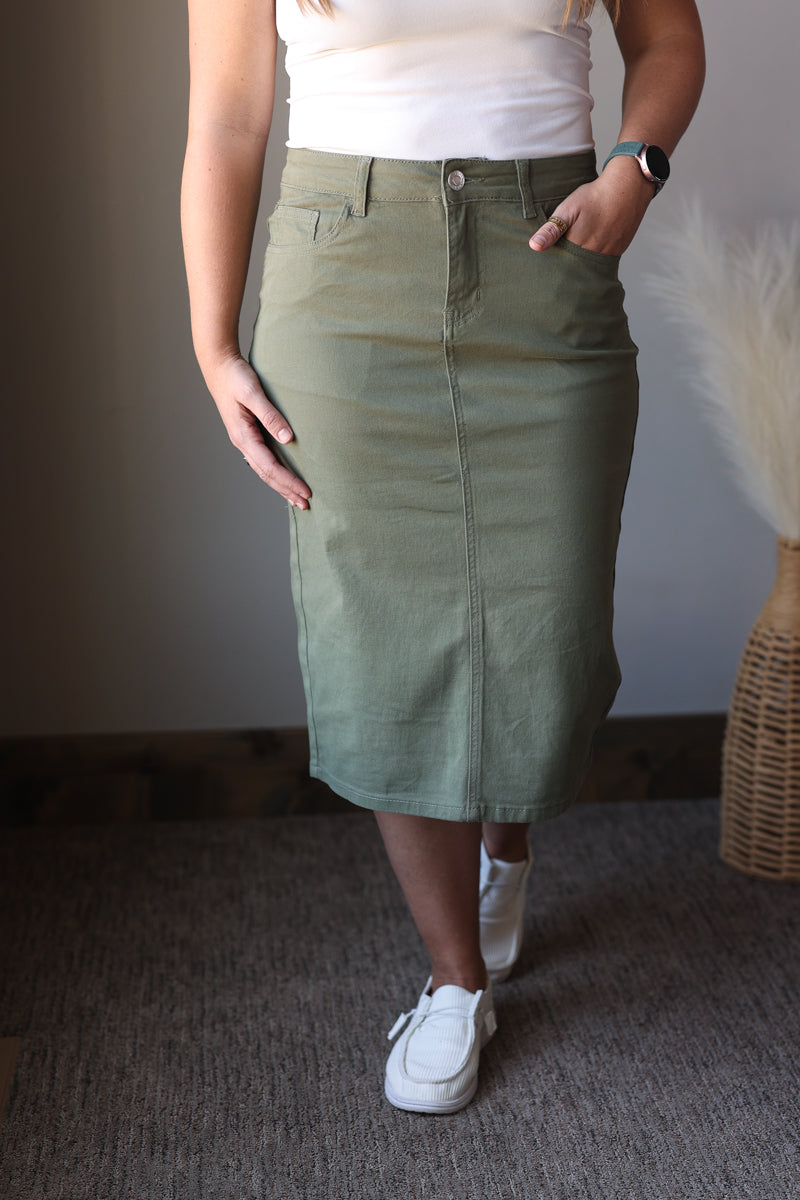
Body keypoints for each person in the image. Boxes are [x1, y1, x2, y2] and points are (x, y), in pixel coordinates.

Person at [181, 0, 705, 1114]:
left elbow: (665, 37)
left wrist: (635, 168)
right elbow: (227, 119)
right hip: (345, 267)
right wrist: (212, 342)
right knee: (384, 632)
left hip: (545, 245)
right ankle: (455, 980)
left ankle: (504, 846)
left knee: (545, 621)